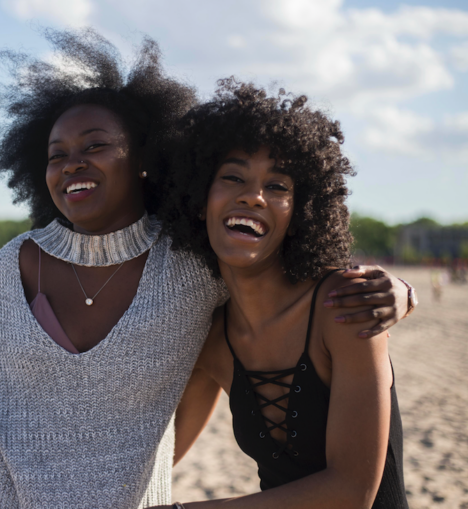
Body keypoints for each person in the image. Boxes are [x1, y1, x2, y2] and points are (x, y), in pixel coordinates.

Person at [0, 32, 412, 509]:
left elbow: (279, 279)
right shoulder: (12, 268)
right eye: (57, 154)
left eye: (95, 145)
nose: (73, 164)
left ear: (144, 161)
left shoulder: (191, 271)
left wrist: (401, 291)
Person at [154, 80, 410, 509]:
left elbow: (351, 492)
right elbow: (159, 457)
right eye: (232, 177)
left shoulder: (343, 307)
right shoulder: (212, 340)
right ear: (199, 200)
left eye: (277, 187)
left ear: (300, 212)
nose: (253, 196)